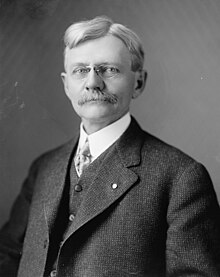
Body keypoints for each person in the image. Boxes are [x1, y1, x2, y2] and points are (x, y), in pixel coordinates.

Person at [0, 15, 220, 277]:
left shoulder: (181, 177)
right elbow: (8, 256)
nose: (93, 82)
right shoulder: (43, 167)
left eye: (109, 69)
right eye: (80, 70)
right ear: (66, 84)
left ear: (138, 82)